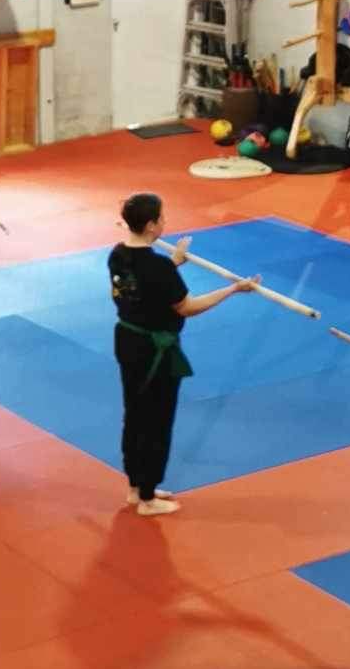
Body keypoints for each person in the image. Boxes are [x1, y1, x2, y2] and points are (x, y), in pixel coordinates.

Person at [108, 193, 258, 516]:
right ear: (151, 226)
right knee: (156, 420)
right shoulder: (158, 267)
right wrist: (232, 289)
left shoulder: (117, 255)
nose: (165, 222)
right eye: (161, 218)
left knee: (135, 415)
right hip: (155, 351)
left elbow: (143, 285)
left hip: (127, 341)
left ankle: (136, 487)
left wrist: (173, 263)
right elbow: (187, 307)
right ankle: (148, 498)